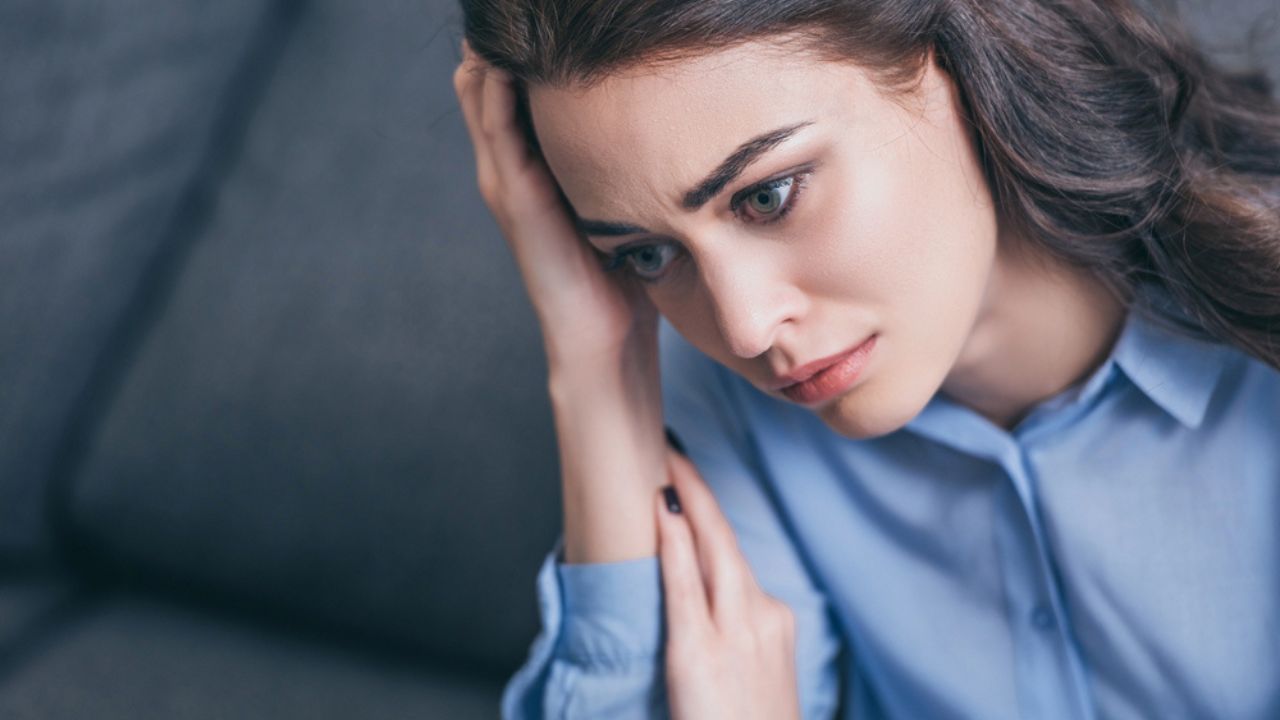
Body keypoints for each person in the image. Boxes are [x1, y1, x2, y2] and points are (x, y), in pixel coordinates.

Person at [452, 0, 1280, 717]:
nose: (744, 326)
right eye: (645, 255)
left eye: (768, 195)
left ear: (949, 63)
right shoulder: (716, 396)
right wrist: (593, 360)